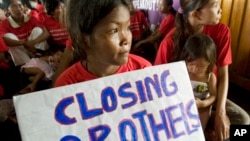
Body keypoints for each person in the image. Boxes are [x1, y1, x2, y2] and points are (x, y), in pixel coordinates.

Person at [154, 0, 250, 140]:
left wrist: (220, 113)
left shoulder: (222, 31)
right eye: (215, 5)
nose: (220, 9)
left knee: (243, 122)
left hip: (210, 96)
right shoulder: (170, 43)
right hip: (178, 103)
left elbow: (223, 75)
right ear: (196, 14)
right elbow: (159, 86)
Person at [54, 0, 152, 87]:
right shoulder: (67, 86)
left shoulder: (143, 71)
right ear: (84, 40)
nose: (126, 39)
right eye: (114, 30)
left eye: (128, 28)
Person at [179, 33, 217, 131]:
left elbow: (213, 96)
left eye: (201, 66)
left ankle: (199, 134)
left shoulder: (210, 77)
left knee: (202, 119)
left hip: (201, 104)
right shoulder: (182, 72)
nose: (195, 69)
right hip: (184, 103)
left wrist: (203, 104)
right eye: (191, 64)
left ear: (209, 62)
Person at [0, 0, 49, 66]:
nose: (18, 9)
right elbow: (4, 40)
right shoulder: (5, 23)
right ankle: (25, 65)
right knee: (8, 36)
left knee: (38, 30)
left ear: (24, 7)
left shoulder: (31, 18)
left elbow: (46, 33)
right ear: (7, 10)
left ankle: (40, 57)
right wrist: (23, 43)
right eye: (14, 6)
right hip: (21, 52)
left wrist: (33, 42)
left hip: (33, 48)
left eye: (20, 5)